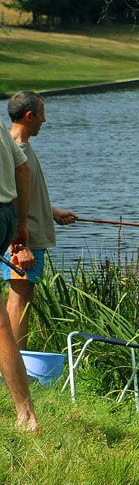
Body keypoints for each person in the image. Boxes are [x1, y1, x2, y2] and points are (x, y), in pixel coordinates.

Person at [3, 91, 77, 350]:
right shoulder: (16, 151)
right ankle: (15, 365)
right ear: (29, 115)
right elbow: (9, 200)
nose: (44, 120)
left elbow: (25, 195)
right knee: (19, 298)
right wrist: (19, 245)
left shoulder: (16, 147)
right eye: (42, 114)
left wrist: (52, 212)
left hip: (27, 233)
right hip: (24, 238)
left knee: (21, 296)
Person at [0, 119, 39, 433]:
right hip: (5, 216)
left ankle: (27, 416)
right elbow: (22, 170)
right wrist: (21, 226)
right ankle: (25, 414)